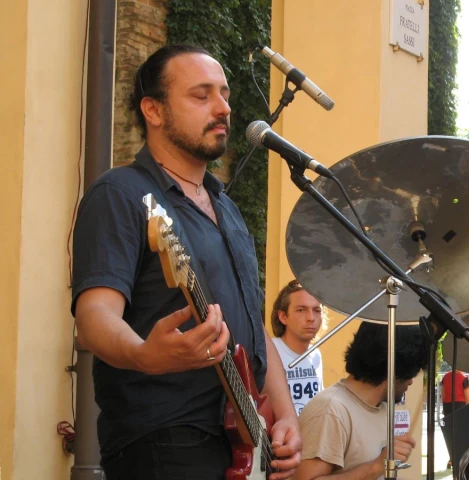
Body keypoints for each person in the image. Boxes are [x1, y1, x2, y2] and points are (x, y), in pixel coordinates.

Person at [71, 44, 301, 480]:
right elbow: (95, 316)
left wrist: (285, 416)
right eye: (201, 95)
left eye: (225, 94)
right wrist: (143, 354)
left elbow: (253, 324)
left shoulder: (226, 208)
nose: (223, 108)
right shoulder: (121, 194)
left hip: (241, 441)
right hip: (165, 443)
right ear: (153, 111)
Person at [294, 322, 429, 480]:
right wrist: (378, 466)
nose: (411, 382)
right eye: (410, 373)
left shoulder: (381, 407)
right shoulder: (331, 410)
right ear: (395, 369)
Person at [271, 279, 327, 415]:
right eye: (301, 310)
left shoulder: (316, 355)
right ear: (283, 316)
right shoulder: (270, 351)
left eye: (316, 310)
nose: (311, 318)